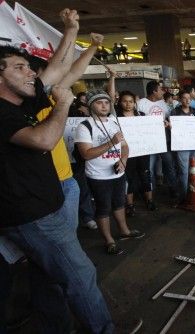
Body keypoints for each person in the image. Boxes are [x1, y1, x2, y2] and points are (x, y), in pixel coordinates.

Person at [0, 9, 116, 333]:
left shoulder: (21, 103)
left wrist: (70, 29)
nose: (30, 73)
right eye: (20, 67)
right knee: (81, 275)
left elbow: (58, 69)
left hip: (45, 206)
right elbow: (44, 139)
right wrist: (63, 104)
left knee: (48, 278)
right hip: (33, 216)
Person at [75, 90, 145, 255]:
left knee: (119, 203)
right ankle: (109, 240)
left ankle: (124, 230)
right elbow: (86, 154)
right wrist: (111, 142)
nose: (104, 105)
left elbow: (125, 146)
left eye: (106, 102)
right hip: (98, 176)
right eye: (99, 102)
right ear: (91, 105)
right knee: (103, 208)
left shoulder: (114, 121)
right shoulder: (84, 126)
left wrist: (123, 161)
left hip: (118, 173)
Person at [116, 90, 157, 216]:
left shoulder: (142, 116)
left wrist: (162, 125)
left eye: (131, 102)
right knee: (129, 178)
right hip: (126, 154)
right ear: (119, 102)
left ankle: (149, 200)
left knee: (145, 175)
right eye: (125, 101)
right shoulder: (116, 118)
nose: (128, 104)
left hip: (143, 152)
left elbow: (152, 130)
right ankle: (130, 205)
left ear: (135, 103)